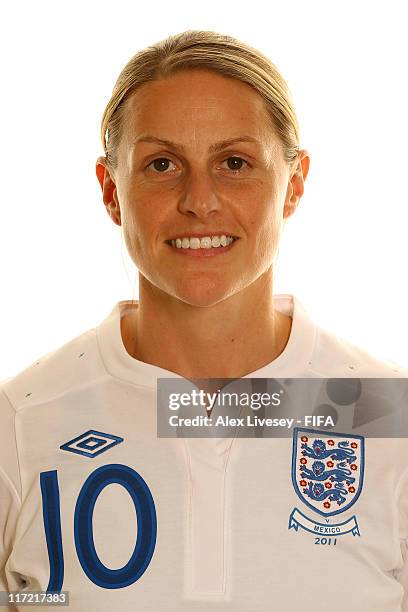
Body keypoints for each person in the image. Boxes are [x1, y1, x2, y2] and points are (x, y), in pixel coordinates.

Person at [0, 29, 407, 612]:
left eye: (234, 162)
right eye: (162, 164)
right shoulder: (20, 422)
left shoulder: (389, 413)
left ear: (294, 184)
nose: (199, 199)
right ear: (112, 191)